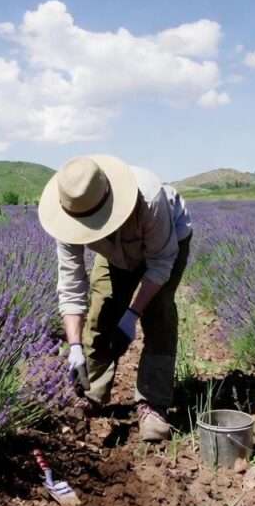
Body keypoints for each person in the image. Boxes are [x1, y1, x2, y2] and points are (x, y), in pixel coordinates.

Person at [38, 155, 192, 442]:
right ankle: (91, 393)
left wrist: (132, 315)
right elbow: (72, 286)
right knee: (101, 312)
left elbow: (160, 264)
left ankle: (153, 403)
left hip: (165, 244)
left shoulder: (150, 199)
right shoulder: (68, 213)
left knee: (158, 314)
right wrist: (74, 347)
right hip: (113, 253)